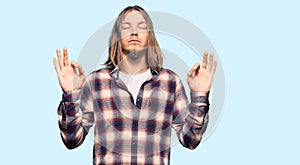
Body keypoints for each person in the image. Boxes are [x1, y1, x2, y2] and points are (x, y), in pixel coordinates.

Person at [53, 5, 217, 165]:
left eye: (141, 27)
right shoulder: (96, 81)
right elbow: (72, 140)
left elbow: (190, 140)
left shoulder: (170, 82)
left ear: (150, 37)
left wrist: (200, 96)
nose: (134, 32)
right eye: (126, 27)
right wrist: (70, 94)